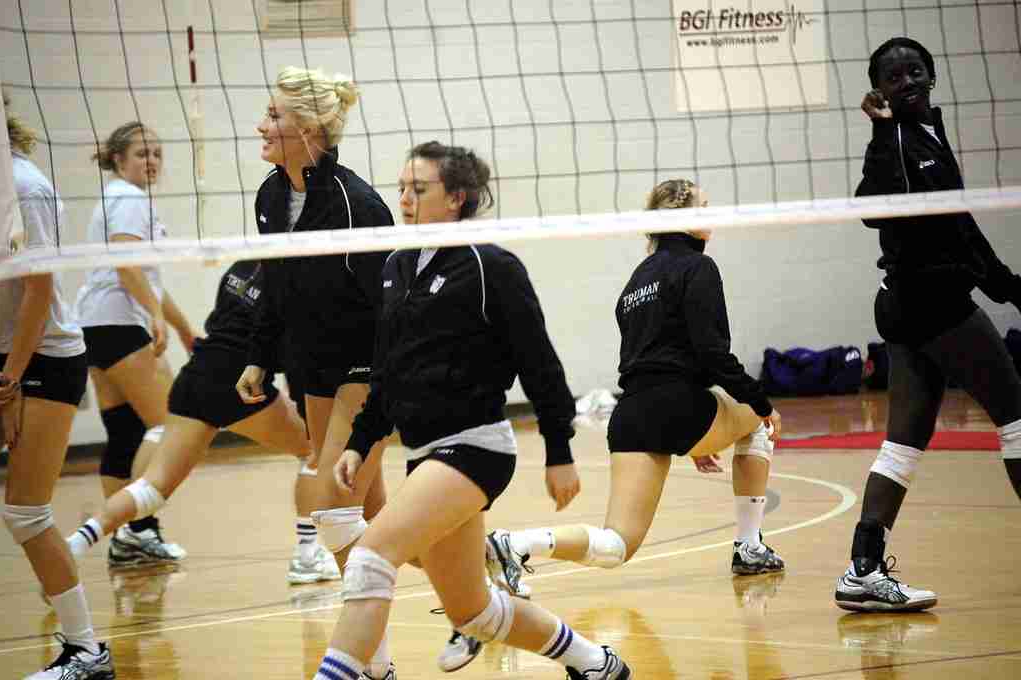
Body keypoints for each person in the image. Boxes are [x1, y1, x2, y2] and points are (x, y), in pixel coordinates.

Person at [310, 140, 631, 680]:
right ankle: (597, 665)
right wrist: (360, 443)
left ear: (457, 196)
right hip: (424, 452)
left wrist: (559, 451)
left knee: (369, 558)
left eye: (419, 188)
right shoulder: (395, 266)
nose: (405, 199)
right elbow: (386, 371)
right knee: (474, 612)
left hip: (476, 446)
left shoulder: (490, 266)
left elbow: (541, 365)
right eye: (402, 188)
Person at [486, 179, 784, 597]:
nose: (712, 214)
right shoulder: (699, 267)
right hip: (680, 405)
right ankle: (749, 547)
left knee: (615, 545)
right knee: (759, 421)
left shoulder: (636, 280)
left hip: (633, 414)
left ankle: (517, 543)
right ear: (684, 219)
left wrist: (696, 428)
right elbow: (712, 353)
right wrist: (760, 401)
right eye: (704, 206)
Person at [835, 37, 1021, 612]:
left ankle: (863, 571)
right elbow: (871, 208)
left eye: (916, 71)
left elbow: (958, 224)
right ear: (880, 90)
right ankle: (864, 571)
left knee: (903, 442)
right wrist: (881, 133)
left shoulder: (930, 135)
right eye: (895, 76)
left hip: (912, 302)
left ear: (932, 76)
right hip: (929, 301)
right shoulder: (894, 139)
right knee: (1018, 418)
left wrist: (1006, 287)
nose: (908, 81)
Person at [235, 66, 398, 678]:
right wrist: (259, 354)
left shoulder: (357, 203)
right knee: (373, 515)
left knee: (330, 501)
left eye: (274, 116)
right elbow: (273, 286)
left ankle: (361, 660)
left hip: (368, 365)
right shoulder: (271, 196)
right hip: (315, 368)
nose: (261, 125)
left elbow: (390, 300)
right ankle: (474, 573)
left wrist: (392, 385)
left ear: (309, 130)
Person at [64, 260, 341, 584]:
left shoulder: (241, 267)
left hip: (195, 376)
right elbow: (291, 347)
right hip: (239, 382)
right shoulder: (297, 279)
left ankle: (76, 542)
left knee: (152, 488)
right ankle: (307, 556)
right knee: (313, 449)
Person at [0, 90, 115, 680]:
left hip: (42, 356)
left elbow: (39, 292)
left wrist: (10, 378)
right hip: (4, 357)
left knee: (24, 511)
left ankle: (86, 651)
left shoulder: (24, 186)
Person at [74, 121, 196, 566]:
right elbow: (128, 268)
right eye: (142, 153)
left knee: (125, 434)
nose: (152, 161)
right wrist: (153, 318)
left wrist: (181, 327)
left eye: (157, 153)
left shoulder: (118, 198)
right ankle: (140, 528)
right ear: (119, 159)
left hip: (96, 327)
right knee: (169, 428)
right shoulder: (128, 200)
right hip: (120, 325)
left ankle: (126, 536)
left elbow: (148, 280)